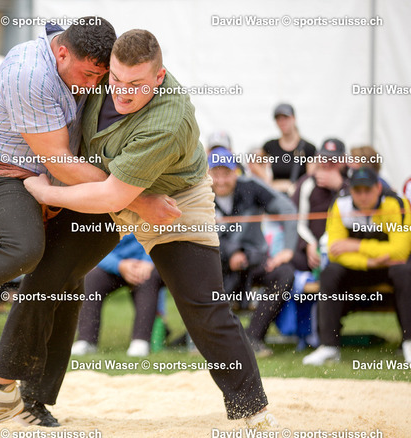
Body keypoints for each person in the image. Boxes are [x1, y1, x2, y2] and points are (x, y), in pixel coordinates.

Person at [0, 19, 179, 428]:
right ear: (61, 53)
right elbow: (59, 162)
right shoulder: (29, 74)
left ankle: (32, 399)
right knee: (23, 248)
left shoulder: (111, 72)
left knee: (65, 277)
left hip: (70, 183)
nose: (95, 85)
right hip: (6, 171)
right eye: (89, 74)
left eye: (103, 77)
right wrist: (137, 198)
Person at [24, 29, 277, 428]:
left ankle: (254, 412)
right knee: (51, 274)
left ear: (159, 78)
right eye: (117, 80)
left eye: (136, 85)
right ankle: (24, 396)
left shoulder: (169, 119)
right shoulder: (102, 73)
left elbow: (111, 197)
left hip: (174, 200)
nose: (123, 93)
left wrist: (46, 192)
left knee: (204, 308)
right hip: (105, 183)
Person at [302, 167, 411, 365]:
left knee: (404, 271)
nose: (362, 196)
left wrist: (355, 245)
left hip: (389, 268)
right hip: (361, 267)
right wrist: (369, 261)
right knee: (329, 273)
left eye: (367, 190)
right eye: (357, 190)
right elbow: (335, 251)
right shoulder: (340, 203)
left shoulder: (396, 203)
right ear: (350, 190)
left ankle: (409, 343)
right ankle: (329, 346)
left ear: (378, 188)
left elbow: (400, 252)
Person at [207, 148, 297, 357]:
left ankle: (253, 337)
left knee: (285, 274)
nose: (221, 180)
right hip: (216, 264)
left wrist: (287, 250)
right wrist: (232, 253)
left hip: (254, 261)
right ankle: (208, 340)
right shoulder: (198, 195)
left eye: (226, 173)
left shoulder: (252, 187)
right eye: (215, 173)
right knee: (200, 277)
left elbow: (288, 210)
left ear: (236, 172)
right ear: (207, 174)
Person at [71, 233, 163, 357]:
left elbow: (161, 236)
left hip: (145, 264)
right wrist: (119, 265)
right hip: (115, 265)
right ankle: (86, 340)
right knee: (91, 278)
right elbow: (93, 247)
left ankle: (140, 341)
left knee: (148, 279)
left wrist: (148, 261)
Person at [291, 139, 349, 274]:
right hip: (312, 248)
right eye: (323, 158)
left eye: (333, 160)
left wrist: (340, 186)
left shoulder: (352, 183)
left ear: (343, 160)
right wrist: (308, 244)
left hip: (343, 248)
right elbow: (297, 219)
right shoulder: (307, 183)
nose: (327, 164)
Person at [261, 103, 316, 194]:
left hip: (298, 196)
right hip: (276, 195)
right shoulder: (270, 146)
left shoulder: (308, 148)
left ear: (294, 118)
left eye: (286, 118)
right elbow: (253, 162)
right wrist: (268, 181)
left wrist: (293, 187)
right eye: (278, 119)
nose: (282, 122)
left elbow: (310, 179)